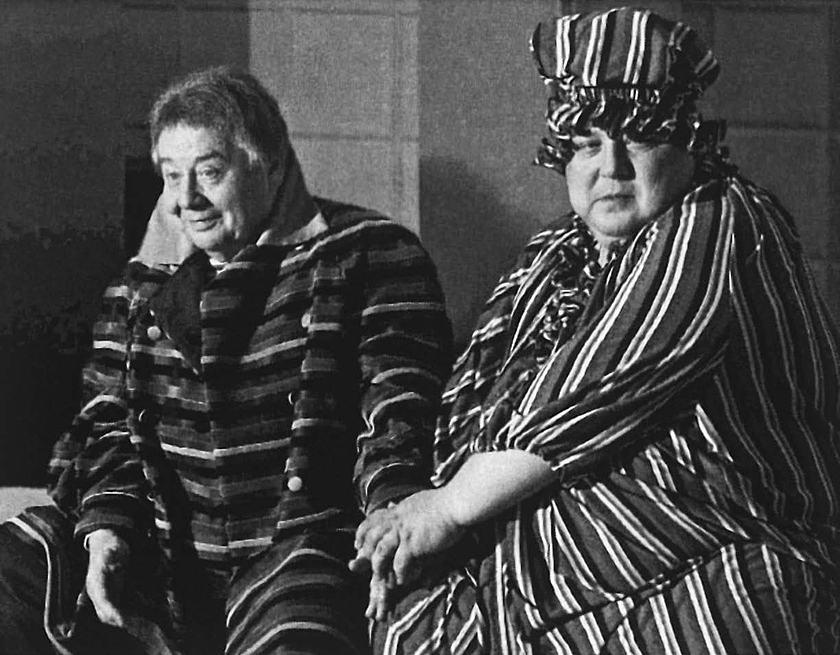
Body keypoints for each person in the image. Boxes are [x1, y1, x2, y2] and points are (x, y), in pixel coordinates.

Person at [350, 7, 840, 654]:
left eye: (638, 138)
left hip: (709, 566)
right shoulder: (553, 254)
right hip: (549, 596)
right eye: (586, 143)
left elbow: (602, 386)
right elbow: (470, 401)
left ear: (687, 143)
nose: (611, 166)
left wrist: (445, 507)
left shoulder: (722, 219)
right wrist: (403, 509)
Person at [0, 66, 452, 654]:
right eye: (172, 176)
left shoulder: (369, 253)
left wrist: (393, 507)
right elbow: (106, 425)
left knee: (299, 634)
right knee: (13, 571)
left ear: (269, 165)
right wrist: (107, 528)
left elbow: (397, 402)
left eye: (210, 173)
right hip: (159, 557)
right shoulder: (140, 288)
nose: (186, 200)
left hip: (298, 549)